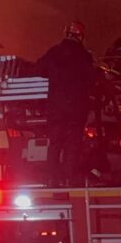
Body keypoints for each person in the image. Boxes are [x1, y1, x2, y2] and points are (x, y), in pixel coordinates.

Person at [35, 21, 97, 184]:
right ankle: (70, 179)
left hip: (55, 107)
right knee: (72, 144)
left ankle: (52, 179)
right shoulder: (84, 55)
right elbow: (92, 79)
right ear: (81, 36)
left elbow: (39, 70)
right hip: (76, 109)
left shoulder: (53, 52)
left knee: (55, 143)